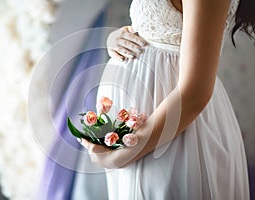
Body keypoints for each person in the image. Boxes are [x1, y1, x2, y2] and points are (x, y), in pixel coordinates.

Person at [79, 0, 254, 199]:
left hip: (171, 133)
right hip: (146, 135)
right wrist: (118, 38)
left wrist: (119, 155)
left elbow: (195, 93)